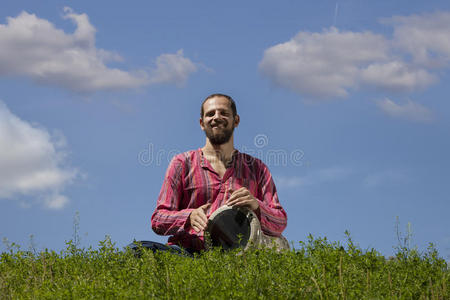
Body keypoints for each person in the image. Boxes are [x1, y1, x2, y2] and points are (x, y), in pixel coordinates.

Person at [150, 94, 287, 253]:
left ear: (236, 121)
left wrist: (257, 205)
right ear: (202, 123)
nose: (216, 117)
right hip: (188, 254)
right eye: (210, 114)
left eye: (224, 113)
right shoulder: (181, 163)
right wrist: (189, 216)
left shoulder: (257, 168)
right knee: (139, 251)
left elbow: (280, 222)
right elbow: (158, 219)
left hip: (239, 259)